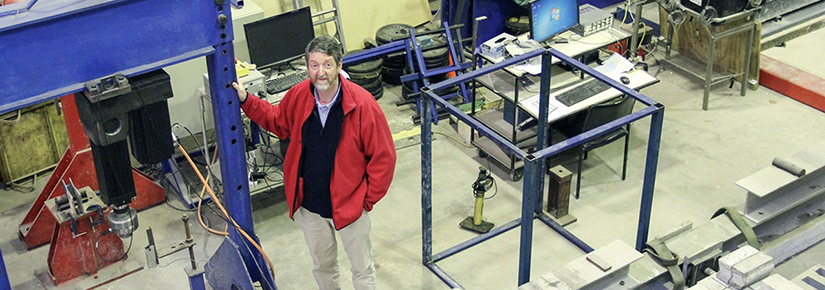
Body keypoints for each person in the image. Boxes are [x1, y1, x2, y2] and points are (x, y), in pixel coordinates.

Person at [231, 35, 396, 290]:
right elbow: (278, 122)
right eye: (314, 65)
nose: (321, 73)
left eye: (327, 65)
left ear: (340, 66)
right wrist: (246, 100)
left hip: (350, 206)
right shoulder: (299, 95)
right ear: (306, 66)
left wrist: (365, 199)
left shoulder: (362, 104)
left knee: (362, 270)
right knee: (323, 268)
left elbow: (383, 158)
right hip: (311, 206)